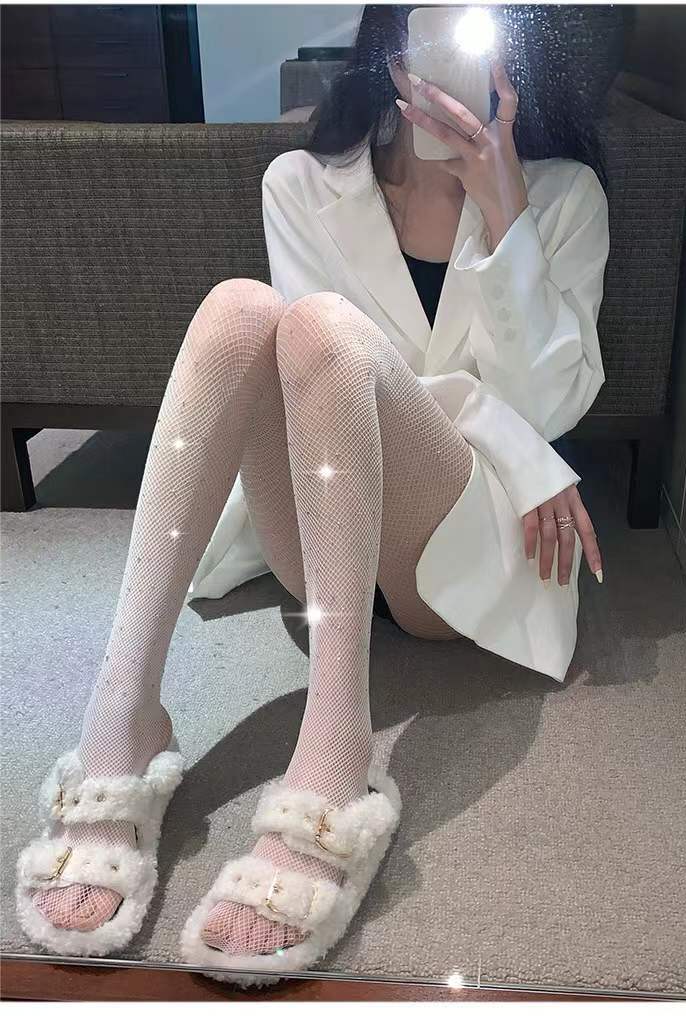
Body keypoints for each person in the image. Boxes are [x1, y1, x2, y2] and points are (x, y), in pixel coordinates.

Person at [16, 4, 609, 986]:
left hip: (457, 540)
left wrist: (505, 208)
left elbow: (549, 404)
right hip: (323, 528)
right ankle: (120, 716)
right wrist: (475, 409)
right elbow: (308, 378)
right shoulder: (300, 182)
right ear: (390, 44)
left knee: (327, 326)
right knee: (246, 311)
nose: (448, 63)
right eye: (430, 30)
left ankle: (334, 755)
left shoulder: (563, 194)